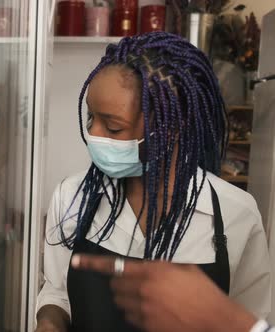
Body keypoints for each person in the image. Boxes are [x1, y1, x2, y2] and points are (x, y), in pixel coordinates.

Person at [36, 32, 271, 332]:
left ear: (173, 126)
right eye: (90, 119)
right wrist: (49, 322)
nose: (94, 135)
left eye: (112, 126)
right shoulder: (72, 197)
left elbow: (249, 321)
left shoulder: (234, 213)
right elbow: (57, 290)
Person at [70, 254, 272, 332]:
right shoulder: (70, 193)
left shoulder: (237, 208)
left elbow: (253, 311)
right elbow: (57, 290)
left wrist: (224, 320)